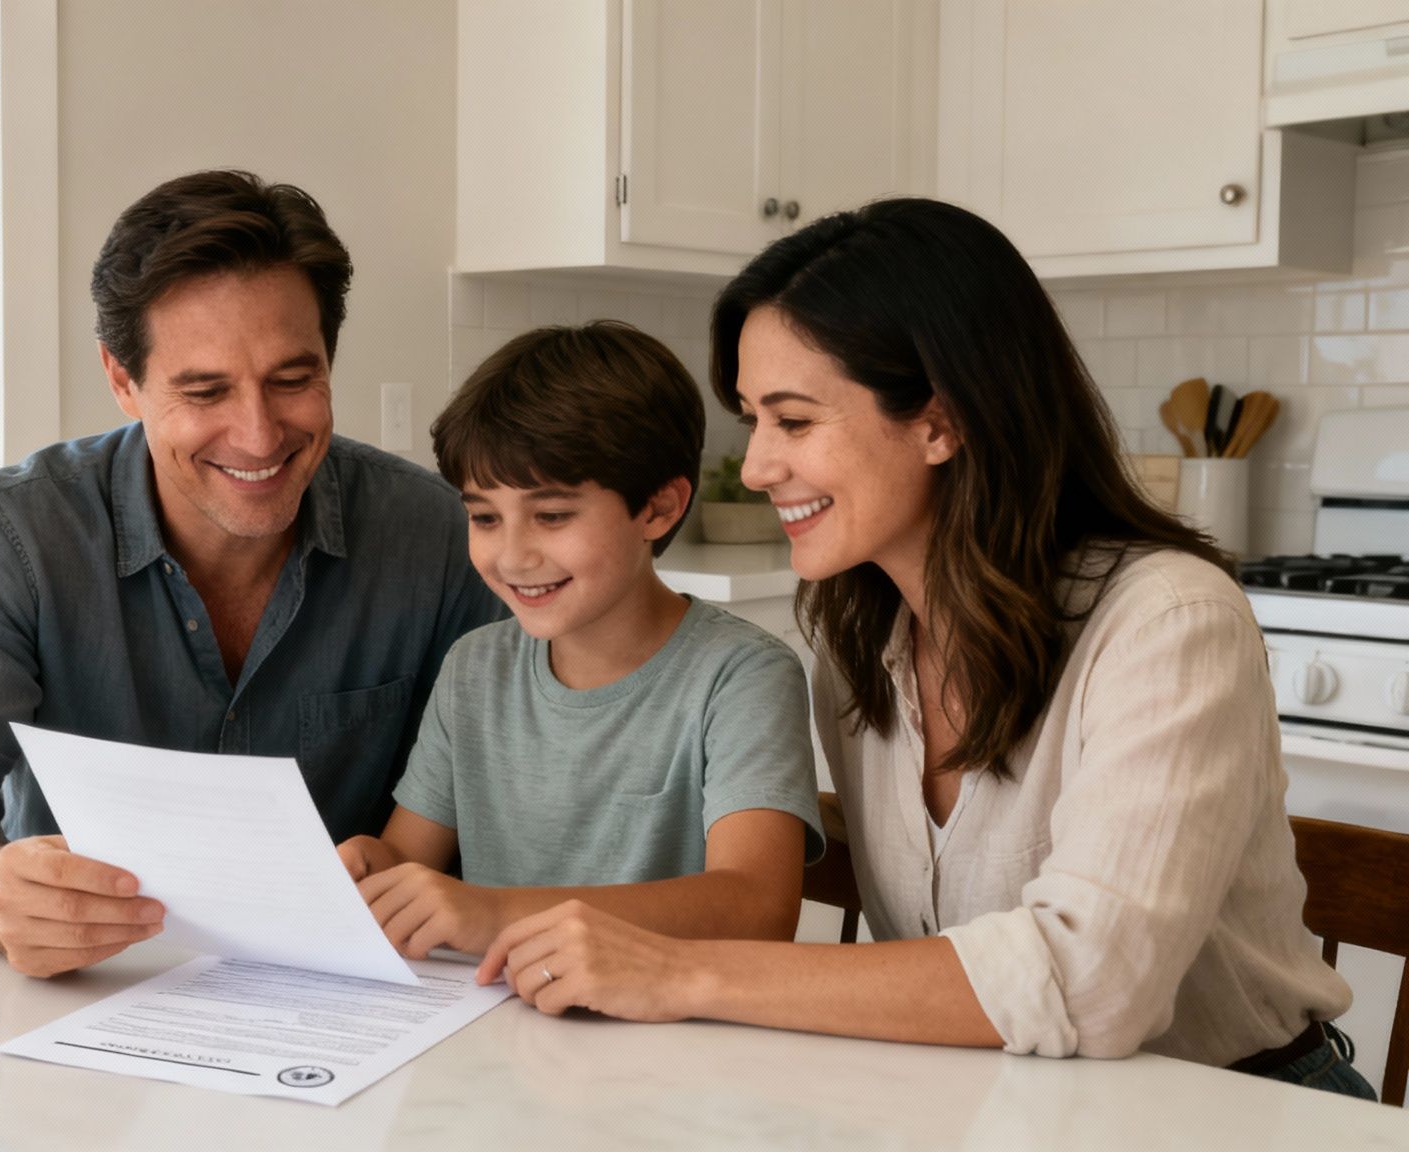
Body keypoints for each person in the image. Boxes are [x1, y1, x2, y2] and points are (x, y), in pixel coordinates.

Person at [475, 198, 1376, 1099]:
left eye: (792, 421)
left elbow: (1092, 981)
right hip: (1002, 1103)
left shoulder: (1168, 622)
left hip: (1238, 1114)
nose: (754, 467)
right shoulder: (857, 636)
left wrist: (678, 971)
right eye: (752, 419)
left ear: (939, 422)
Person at [0, 170, 505, 979]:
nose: (258, 436)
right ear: (122, 379)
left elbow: (516, 784)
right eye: (205, 390)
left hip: (363, 1011)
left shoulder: (436, 537)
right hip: (86, 1004)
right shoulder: (12, 535)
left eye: (293, 379)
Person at [336, 321, 822, 960]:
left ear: (658, 509)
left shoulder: (741, 676)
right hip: (501, 1031)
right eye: (484, 517)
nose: (512, 554)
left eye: (553, 515)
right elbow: (405, 855)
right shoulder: (474, 669)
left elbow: (757, 908)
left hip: (669, 1040)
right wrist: (372, 866)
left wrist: (493, 913)